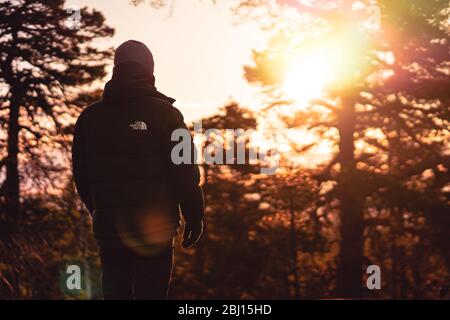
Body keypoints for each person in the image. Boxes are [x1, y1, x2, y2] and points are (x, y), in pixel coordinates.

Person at [72, 40, 204, 300]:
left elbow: (82, 176)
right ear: (150, 71)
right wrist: (194, 215)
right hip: (155, 231)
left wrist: (101, 211)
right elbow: (184, 171)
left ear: (115, 69)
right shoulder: (167, 115)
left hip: (109, 231)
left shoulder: (89, 118)